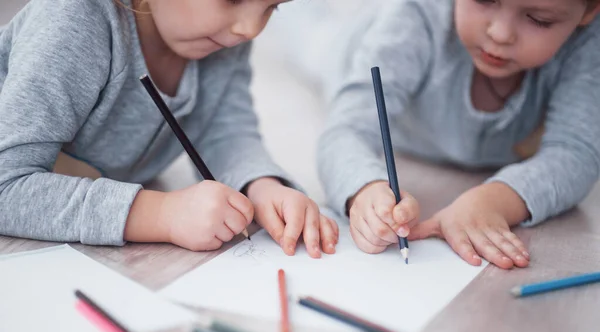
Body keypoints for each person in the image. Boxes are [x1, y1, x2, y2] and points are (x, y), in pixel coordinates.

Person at [0, 0, 339, 258]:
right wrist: (162, 214)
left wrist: (262, 186)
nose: (250, 29)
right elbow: (6, 188)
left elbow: (225, 132)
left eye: (272, 7)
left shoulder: (221, 38)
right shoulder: (72, 19)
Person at [313, 0, 600, 268]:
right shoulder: (416, 14)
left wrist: (493, 202)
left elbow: (577, 151)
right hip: (350, 52)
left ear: (589, 12)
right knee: (311, 33)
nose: (500, 34)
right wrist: (365, 189)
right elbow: (346, 129)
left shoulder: (588, 43)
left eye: (539, 20)